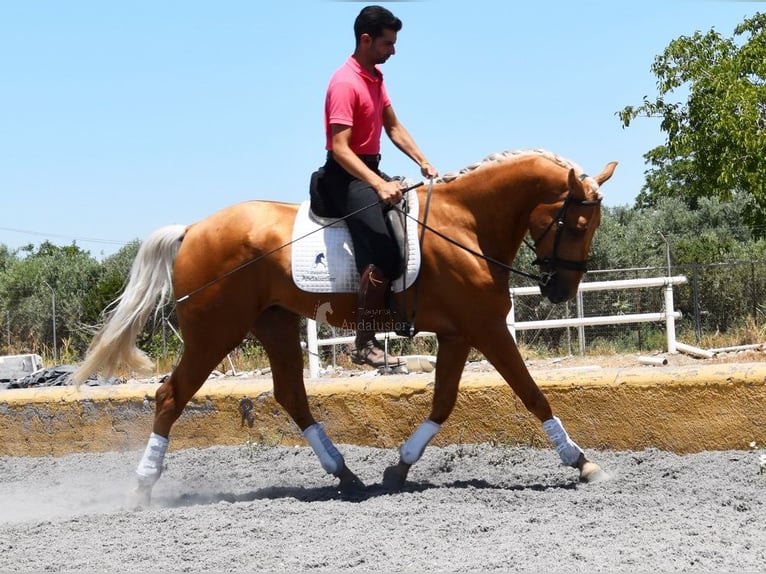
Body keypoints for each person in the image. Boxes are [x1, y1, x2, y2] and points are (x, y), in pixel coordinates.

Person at [319, 5, 438, 369]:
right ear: (366, 39)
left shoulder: (375, 78)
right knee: (384, 253)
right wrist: (377, 185)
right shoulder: (344, 82)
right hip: (344, 177)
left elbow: (394, 127)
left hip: (369, 170)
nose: (394, 51)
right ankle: (364, 342)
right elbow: (340, 148)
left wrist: (423, 161)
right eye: (388, 43)